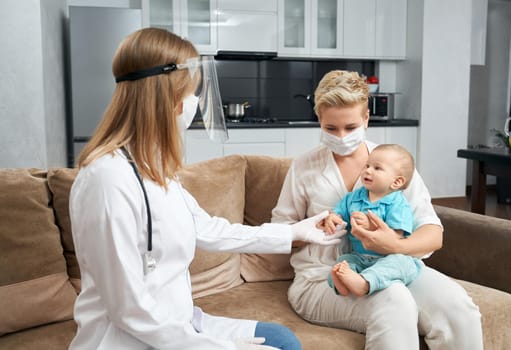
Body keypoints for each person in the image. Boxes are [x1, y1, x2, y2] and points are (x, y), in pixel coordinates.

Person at [68, 28, 343, 350]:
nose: (194, 103)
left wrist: (294, 232)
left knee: (282, 339)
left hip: (177, 322)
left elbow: (207, 229)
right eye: (189, 92)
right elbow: (130, 311)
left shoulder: (153, 169)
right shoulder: (107, 180)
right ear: (164, 97)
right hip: (130, 339)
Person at [271, 70, 483, 349]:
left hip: (392, 266)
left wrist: (393, 243)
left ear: (367, 119)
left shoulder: (393, 163)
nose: (341, 136)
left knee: (459, 309)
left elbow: (432, 233)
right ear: (319, 121)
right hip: (321, 279)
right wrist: (313, 229)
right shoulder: (304, 167)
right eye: (330, 129)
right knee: (394, 301)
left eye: (350, 127)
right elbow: (280, 233)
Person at [322, 144, 422, 297]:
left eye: (377, 168)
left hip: (387, 256)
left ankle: (365, 283)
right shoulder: (353, 197)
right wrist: (332, 218)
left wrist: (371, 227)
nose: (368, 170)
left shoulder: (398, 204)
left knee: (402, 264)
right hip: (359, 256)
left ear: (396, 182)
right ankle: (341, 285)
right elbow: (338, 213)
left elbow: (396, 237)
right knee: (342, 263)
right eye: (367, 165)